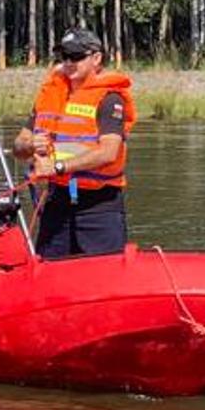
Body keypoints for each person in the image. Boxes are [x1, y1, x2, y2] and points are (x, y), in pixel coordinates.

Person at [13, 29, 136, 258]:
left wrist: (59, 167)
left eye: (76, 57)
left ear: (96, 58)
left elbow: (109, 152)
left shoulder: (109, 99)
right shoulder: (50, 96)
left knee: (104, 272)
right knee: (49, 271)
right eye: (64, 57)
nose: (68, 63)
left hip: (99, 206)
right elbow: (18, 146)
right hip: (57, 201)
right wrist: (29, 146)